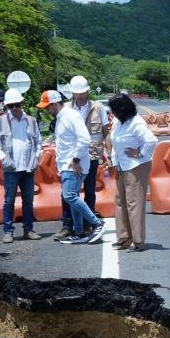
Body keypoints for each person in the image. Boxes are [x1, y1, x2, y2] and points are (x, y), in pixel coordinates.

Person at [37, 89, 106, 245]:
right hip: (68, 164)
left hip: (74, 165)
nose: (46, 111)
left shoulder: (70, 116)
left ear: (54, 104)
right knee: (71, 197)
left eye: (47, 107)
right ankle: (79, 231)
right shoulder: (62, 117)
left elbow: (85, 139)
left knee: (69, 196)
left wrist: (75, 159)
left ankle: (96, 223)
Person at [57, 75, 111, 239]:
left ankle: (87, 225)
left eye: (82, 92)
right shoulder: (66, 108)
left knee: (89, 191)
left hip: (92, 155)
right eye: (76, 93)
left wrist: (108, 154)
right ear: (72, 93)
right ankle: (68, 225)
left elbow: (105, 132)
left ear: (87, 91)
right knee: (68, 193)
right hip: (72, 158)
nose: (79, 96)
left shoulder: (99, 108)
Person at [0, 88, 42, 243]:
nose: (14, 109)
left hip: (28, 167)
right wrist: (3, 158)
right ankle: (8, 231)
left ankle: (28, 229)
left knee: (28, 200)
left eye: (17, 105)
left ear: (22, 103)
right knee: (9, 200)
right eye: (10, 106)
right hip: (11, 168)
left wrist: (36, 157)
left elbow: (38, 142)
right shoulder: (0, 121)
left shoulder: (31, 121)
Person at [106, 94, 157, 252]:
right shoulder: (118, 122)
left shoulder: (136, 123)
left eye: (114, 109)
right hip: (122, 166)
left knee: (134, 203)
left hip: (136, 166)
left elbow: (152, 140)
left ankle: (138, 240)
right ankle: (124, 237)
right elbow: (114, 142)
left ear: (122, 109)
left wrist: (140, 153)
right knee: (120, 201)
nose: (112, 113)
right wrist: (112, 161)